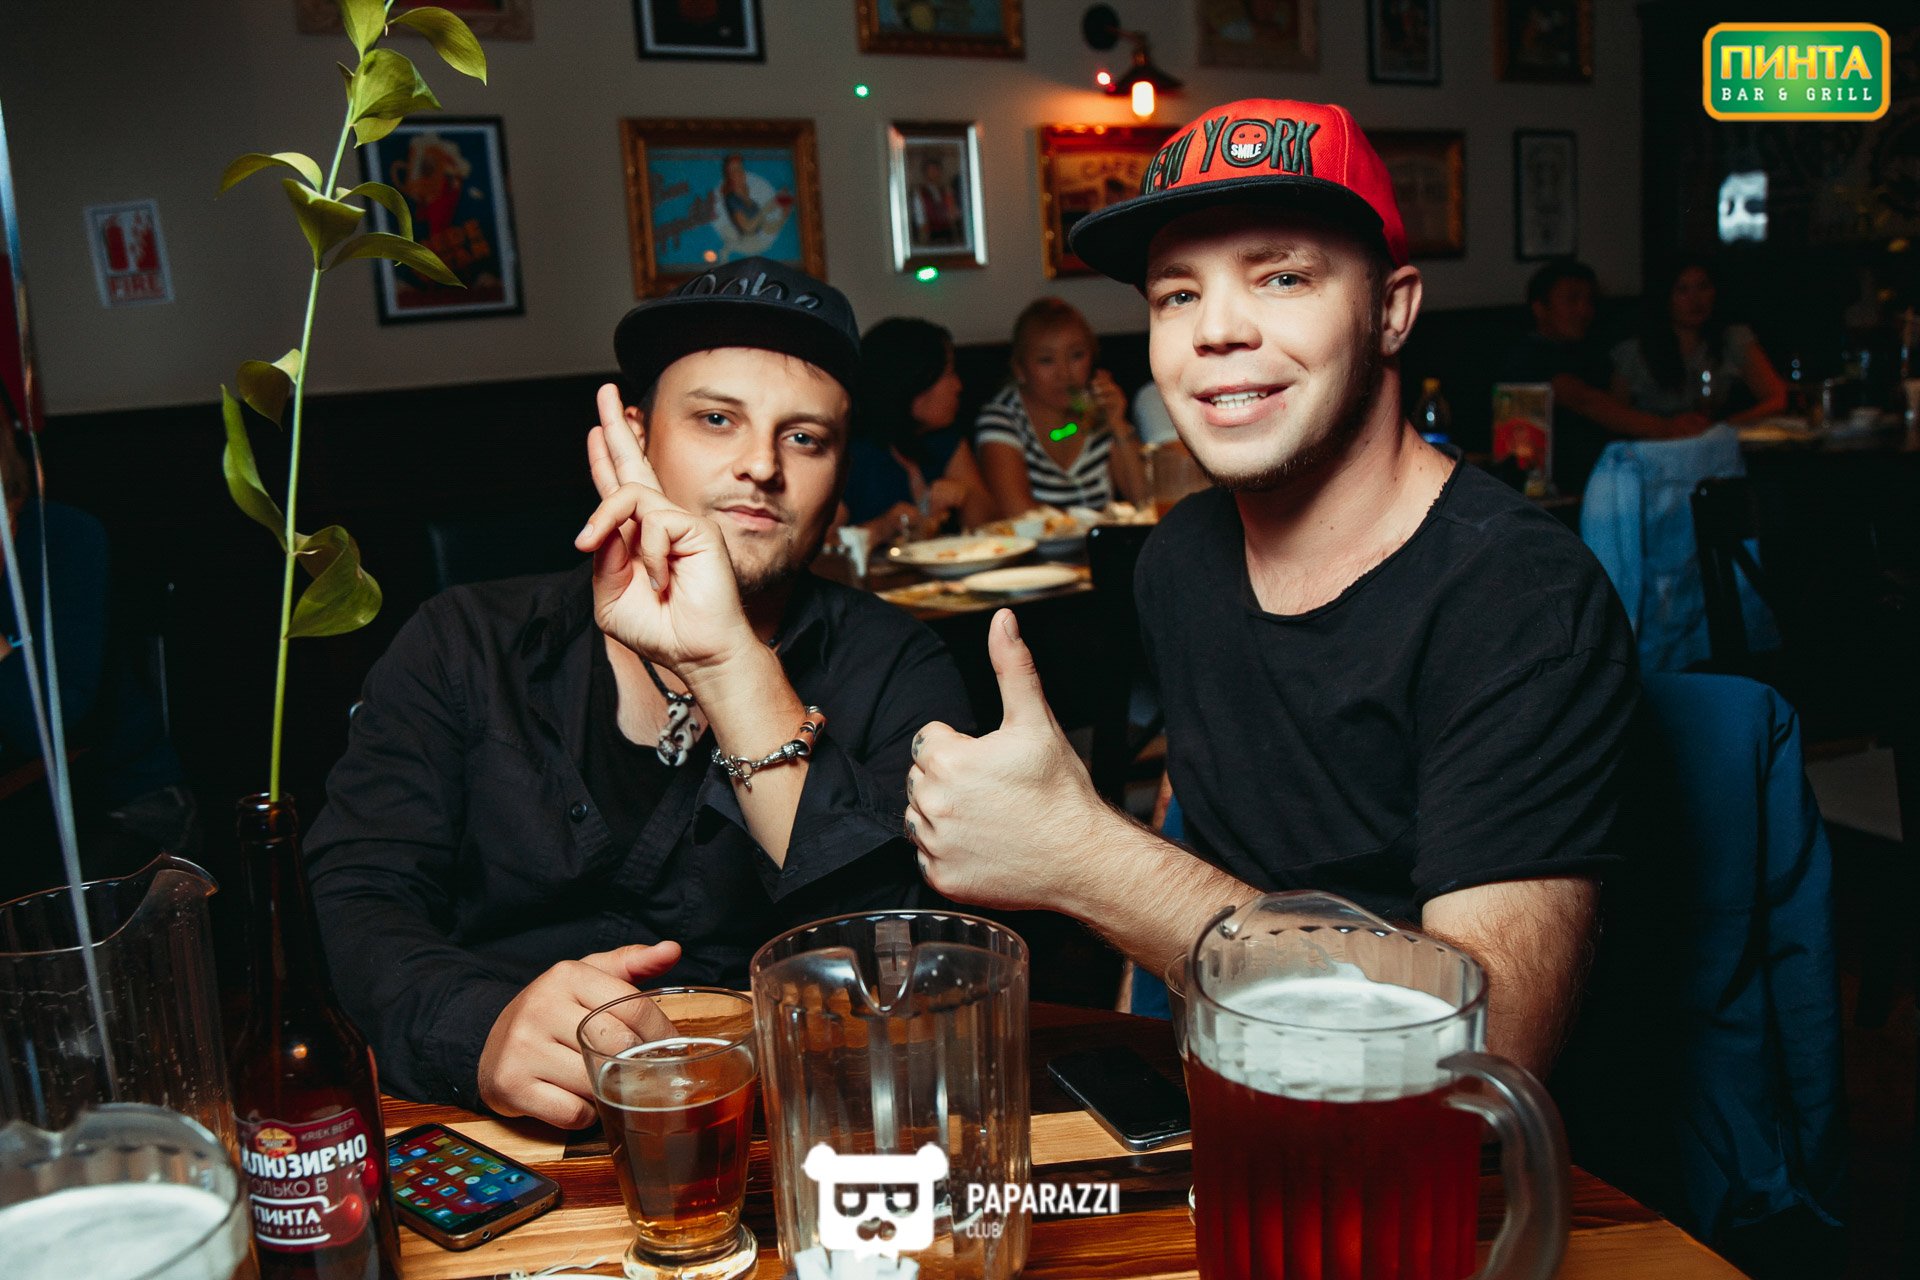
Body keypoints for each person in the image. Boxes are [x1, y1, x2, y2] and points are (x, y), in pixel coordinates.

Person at [902, 99, 1639, 1080]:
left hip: (1427, 1154)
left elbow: (1491, 1046)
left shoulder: (1518, 596)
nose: (1215, 329)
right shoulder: (1181, 559)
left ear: (1392, 311)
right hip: (1226, 1104)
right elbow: (1194, 826)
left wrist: (1083, 857)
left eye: (1282, 276)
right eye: (1176, 294)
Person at [306, 257, 972, 1127]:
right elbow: (356, 898)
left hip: (784, 1129)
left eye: (805, 438)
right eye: (716, 419)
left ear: (840, 476)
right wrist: (480, 1029)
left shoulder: (897, 666)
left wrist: (729, 664)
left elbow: (907, 969)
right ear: (635, 435)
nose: (761, 466)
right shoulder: (463, 643)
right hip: (493, 1134)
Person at [1495, 258, 1705, 493]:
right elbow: (1584, 400)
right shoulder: (1528, 355)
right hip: (1543, 491)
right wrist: (1667, 428)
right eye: (1572, 300)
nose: (1584, 310)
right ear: (1540, 308)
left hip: (1598, 481)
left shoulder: (1591, 351)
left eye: (1589, 301)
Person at [974, 298, 1148, 516]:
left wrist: (1118, 424)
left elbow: (1145, 501)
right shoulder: (1002, 418)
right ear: (1019, 368)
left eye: (1077, 356)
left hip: (1104, 537)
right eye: (1046, 360)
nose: (1064, 373)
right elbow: (1017, 514)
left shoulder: (1095, 410)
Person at [840, 318, 997, 544]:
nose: (958, 386)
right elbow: (819, 548)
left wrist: (966, 496)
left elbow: (992, 527)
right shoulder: (852, 454)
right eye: (948, 374)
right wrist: (881, 528)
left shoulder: (942, 438)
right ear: (913, 382)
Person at [1611, 257, 1786, 424]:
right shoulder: (1634, 350)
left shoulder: (1732, 338)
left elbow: (1778, 398)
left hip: (1715, 436)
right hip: (1655, 440)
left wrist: (1724, 428)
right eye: (1682, 290)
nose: (1696, 300)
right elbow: (1615, 415)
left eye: (1703, 287)